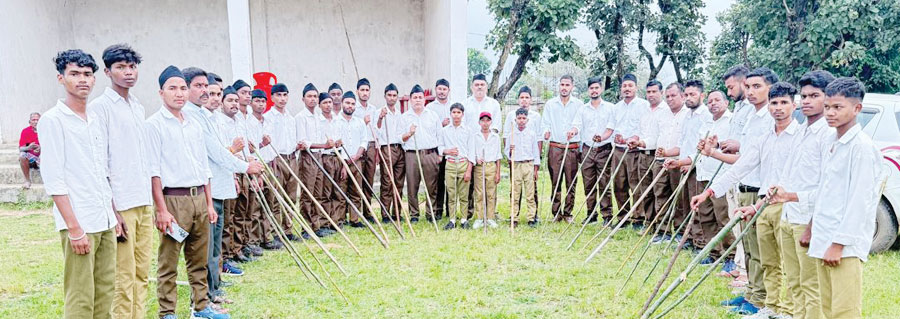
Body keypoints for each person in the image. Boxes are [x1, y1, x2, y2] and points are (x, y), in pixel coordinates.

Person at [769, 77, 880, 319]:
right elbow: (827, 193)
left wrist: (839, 244)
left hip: (844, 246)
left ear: (857, 109)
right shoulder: (833, 141)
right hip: (823, 237)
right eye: (828, 106)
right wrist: (804, 217)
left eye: (837, 107)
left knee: (844, 311)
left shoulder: (861, 147)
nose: (830, 113)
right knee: (827, 309)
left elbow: (859, 201)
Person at [693, 81, 800, 319]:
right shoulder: (765, 137)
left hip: (788, 206)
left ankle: (790, 311)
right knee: (767, 261)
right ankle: (769, 307)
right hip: (763, 205)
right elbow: (741, 167)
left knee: (791, 266)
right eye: (774, 103)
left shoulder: (800, 136)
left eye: (784, 103)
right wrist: (709, 192)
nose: (778, 108)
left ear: (795, 105)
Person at [147, 65, 229, 319]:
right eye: (173, 88)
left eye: (183, 88)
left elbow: (203, 167)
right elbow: (153, 171)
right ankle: (167, 312)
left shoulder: (193, 123)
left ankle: (202, 307)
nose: (179, 94)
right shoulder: (154, 125)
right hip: (173, 199)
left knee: (199, 258)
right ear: (161, 92)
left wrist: (207, 203)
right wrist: (161, 210)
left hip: (198, 198)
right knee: (169, 261)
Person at [41, 49, 116, 319]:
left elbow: (101, 171)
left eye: (87, 74)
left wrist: (113, 214)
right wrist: (74, 229)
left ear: (95, 79)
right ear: (61, 78)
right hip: (80, 222)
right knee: (81, 298)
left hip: (104, 220)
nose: (82, 79)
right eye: (74, 74)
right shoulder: (53, 120)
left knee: (105, 293)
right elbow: (54, 180)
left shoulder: (95, 119)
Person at [87, 43, 154, 319]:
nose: (128, 73)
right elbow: (99, 162)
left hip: (143, 201)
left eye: (132, 67)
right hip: (121, 204)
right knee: (122, 276)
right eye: (121, 67)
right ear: (107, 71)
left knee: (142, 272)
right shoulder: (100, 108)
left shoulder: (137, 106)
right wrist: (112, 211)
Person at [764, 70, 835, 319]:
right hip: (788, 216)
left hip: (808, 219)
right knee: (794, 281)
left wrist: (794, 200)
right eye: (803, 95)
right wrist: (779, 194)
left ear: (828, 98)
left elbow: (829, 188)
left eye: (814, 95)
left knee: (811, 284)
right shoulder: (802, 130)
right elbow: (790, 175)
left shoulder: (828, 134)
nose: (806, 101)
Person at [665, 90, 736, 270]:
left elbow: (733, 147)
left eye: (717, 100)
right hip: (703, 174)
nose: (713, 103)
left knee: (723, 217)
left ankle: (730, 257)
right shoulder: (706, 124)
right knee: (706, 216)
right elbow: (697, 152)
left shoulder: (732, 121)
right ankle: (714, 253)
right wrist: (680, 161)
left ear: (726, 103)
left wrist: (717, 146)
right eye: (711, 101)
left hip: (721, 177)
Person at [609, 74, 652, 227]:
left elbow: (647, 127)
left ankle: (638, 218)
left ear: (636, 87)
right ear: (621, 89)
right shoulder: (616, 107)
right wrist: (617, 137)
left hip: (635, 151)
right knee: (619, 184)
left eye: (630, 86)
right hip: (619, 151)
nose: (627, 89)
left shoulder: (643, 105)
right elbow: (612, 128)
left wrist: (637, 137)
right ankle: (622, 217)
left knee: (636, 184)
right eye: (624, 86)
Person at [541, 74, 583, 223]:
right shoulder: (550, 104)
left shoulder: (579, 104)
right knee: (555, 181)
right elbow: (545, 122)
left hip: (571, 148)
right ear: (559, 86)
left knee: (571, 182)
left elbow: (579, 123)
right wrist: (545, 131)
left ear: (572, 87)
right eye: (562, 85)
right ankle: (556, 213)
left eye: (567, 85)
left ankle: (568, 213)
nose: (564, 88)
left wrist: (574, 130)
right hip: (555, 147)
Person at [400, 84, 443, 222]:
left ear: (424, 99)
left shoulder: (432, 115)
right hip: (412, 154)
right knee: (412, 186)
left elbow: (439, 136)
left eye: (420, 97)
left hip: (430, 154)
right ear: (410, 100)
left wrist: (440, 154)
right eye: (415, 97)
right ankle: (414, 214)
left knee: (432, 186)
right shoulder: (405, 117)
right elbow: (400, 138)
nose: (417, 100)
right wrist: (409, 133)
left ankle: (431, 213)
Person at [264, 83, 300, 241]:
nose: (282, 99)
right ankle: (276, 231)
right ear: (272, 97)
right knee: (276, 196)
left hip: (291, 158)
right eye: (278, 95)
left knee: (291, 196)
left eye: (285, 95)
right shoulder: (268, 118)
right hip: (276, 159)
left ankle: (288, 229)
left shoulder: (290, 118)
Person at [578, 78, 615, 225]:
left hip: (604, 149)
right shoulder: (582, 109)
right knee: (588, 183)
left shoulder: (610, 108)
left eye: (596, 88)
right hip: (587, 149)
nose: (594, 90)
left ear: (601, 89)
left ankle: (607, 215)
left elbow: (611, 128)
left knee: (604, 183)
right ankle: (591, 214)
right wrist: (572, 131)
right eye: (591, 88)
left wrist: (602, 137)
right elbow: (577, 125)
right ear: (588, 90)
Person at [295, 83, 330, 235]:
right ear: (303, 99)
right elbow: (303, 143)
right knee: (307, 194)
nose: (313, 99)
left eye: (315, 96)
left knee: (318, 192)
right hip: (307, 157)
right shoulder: (300, 117)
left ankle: (317, 225)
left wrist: (325, 145)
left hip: (319, 156)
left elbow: (322, 139)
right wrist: (323, 145)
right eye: (309, 96)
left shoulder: (318, 117)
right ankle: (306, 226)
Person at [503, 86, 543, 220]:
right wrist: (509, 155)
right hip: (516, 160)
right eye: (521, 97)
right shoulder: (511, 116)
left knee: (531, 190)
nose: (524, 100)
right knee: (515, 189)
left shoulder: (535, 117)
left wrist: (536, 165)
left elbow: (538, 140)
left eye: (527, 97)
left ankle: (533, 216)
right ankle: (514, 215)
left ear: (530, 100)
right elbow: (506, 139)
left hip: (529, 160)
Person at [335, 91, 368, 227]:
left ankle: (355, 219)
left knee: (356, 191)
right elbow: (336, 144)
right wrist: (344, 164)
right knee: (340, 191)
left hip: (356, 160)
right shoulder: (336, 121)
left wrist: (357, 155)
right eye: (347, 103)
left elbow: (364, 141)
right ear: (342, 103)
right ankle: (340, 220)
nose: (350, 106)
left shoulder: (359, 122)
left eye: (353, 104)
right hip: (341, 161)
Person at [440, 103, 473, 229]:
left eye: (459, 112)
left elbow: (471, 151)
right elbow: (440, 146)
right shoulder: (445, 130)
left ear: (462, 114)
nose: (456, 115)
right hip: (450, 164)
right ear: (450, 114)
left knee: (464, 195)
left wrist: (469, 170)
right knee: (451, 194)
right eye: (454, 112)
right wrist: (447, 151)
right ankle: (452, 220)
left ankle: (464, 219)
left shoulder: (468, 131)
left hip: (463, 163)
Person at [376, 83, 406, 222]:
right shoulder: (380, 112)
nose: (392, 98)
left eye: (394, 95)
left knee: (399, 182)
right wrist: (381, 118)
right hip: (386, 147)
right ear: (385, 96)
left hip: (399, 147)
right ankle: (385, 213)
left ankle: (397, 213)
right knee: (387, 182)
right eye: (389, 95)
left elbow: (401, 132)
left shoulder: (400, 113)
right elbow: (377, 130)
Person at [352, 78, 379, 223]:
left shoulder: (373, 109)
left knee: (369, 179)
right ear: (357, 91)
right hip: (357, 147)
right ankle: (355, 215)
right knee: (357, 180)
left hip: (371, 145)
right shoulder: (352, 107)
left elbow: (376, 129)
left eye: (367, 90)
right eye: (362, 90)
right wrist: (363, 121)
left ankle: (368, 212)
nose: (364, 93)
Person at [471, 111, 501, 229]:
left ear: (491, 122)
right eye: (483, 120)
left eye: (487, 120)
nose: (485, 123)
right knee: (479, 193)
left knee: (491, 193)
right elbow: (471, 151)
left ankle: (490, 217)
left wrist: (498, 172)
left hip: (491, 166)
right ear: (479, 122)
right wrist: (476, 159)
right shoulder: (475, 136)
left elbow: (498, 155)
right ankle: (479, 218)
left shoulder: (495, 137)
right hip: (479, 167)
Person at [18, 112, 40, 189]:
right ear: (30, 122)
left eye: (38, 120)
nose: (36, 122)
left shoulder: (46, 130)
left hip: (43, 157)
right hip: (31, 158)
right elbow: (21, 148)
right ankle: (27, 181)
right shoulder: (25, 131)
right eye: (33, 120)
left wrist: (41, 149)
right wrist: (29, 147)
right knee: (22, 155)